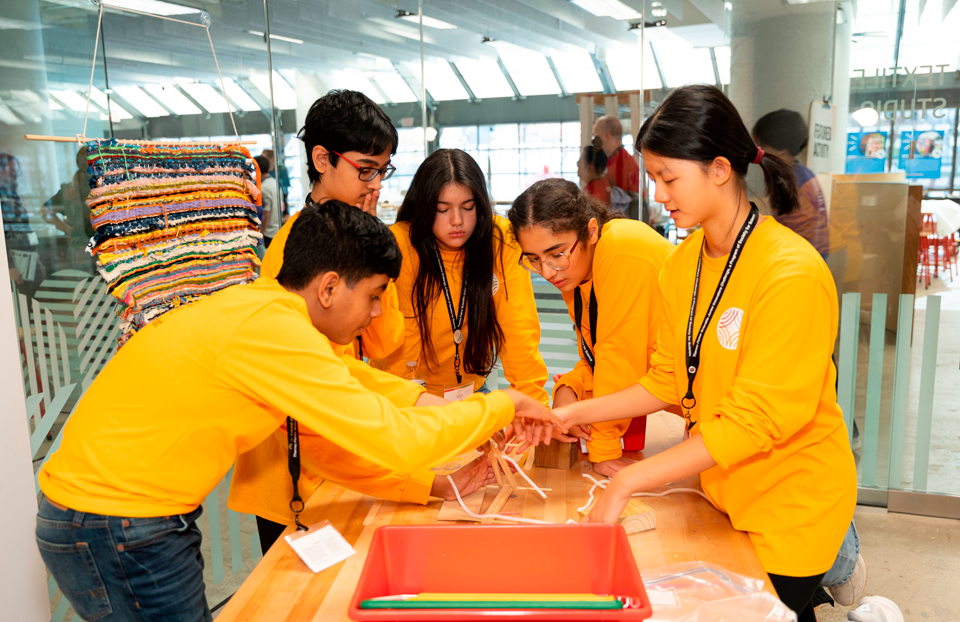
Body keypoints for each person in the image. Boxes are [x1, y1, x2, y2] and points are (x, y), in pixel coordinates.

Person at [36, 201, 561, 622]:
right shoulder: (274, 330)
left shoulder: (267, 314)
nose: (379, 311)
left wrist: (441, 420)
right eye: (376, 296)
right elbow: (393, 438)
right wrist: (500, 405)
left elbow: (357, 383)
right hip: (115, 520)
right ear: (329, 286)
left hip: (113, 514)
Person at [559, 85, 857, 622]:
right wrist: (569, 414)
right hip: (724, 492)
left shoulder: (789, 272)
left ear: (720, 169)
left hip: (792, 509)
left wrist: (630, 477)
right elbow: (668, 380)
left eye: (669, 178)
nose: (661, 193)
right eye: (654, 178)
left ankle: (851, 582)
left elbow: (755, 422)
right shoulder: (683, 263)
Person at [508, 178, 674, 477]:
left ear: (592, 231)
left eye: (556, 253)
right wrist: (569, 388)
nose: (547, 272)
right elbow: (598, 354)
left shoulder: (622, 248)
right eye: (533, 259)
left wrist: (605, 451)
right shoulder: (578, 273)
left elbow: (620, 358)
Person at [378, 149, 549, 406]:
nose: (457, 221)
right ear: (423, 208)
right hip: (413, 400)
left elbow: (519, 332)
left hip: (474, 395)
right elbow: (403, 355)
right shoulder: (403, 244)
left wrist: (532, 404)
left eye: (467, 208)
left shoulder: (498, 239)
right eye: (442, 209)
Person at [751, 109, 830, 258]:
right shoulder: (803, 172)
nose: (757, 151)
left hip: (801, 262)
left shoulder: (787, 182)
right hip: (815, 258)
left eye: (761, 145)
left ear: (781, 149)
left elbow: (793, 235)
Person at [593, 115, 641, 221]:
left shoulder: (618, 164)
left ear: (606, 136)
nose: (593, 135)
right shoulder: (626, 159)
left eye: (596, 132)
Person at [255, 154, 282, 247]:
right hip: (277, 229)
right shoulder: (274, 182)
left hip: (268, 233)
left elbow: (266, 213)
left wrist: (261, 234)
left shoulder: (264, 187)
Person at [577, 139, 611, 206]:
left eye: (579, 163)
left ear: (590, 168)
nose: (577, 165)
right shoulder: (604, 182)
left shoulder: (594, 189)